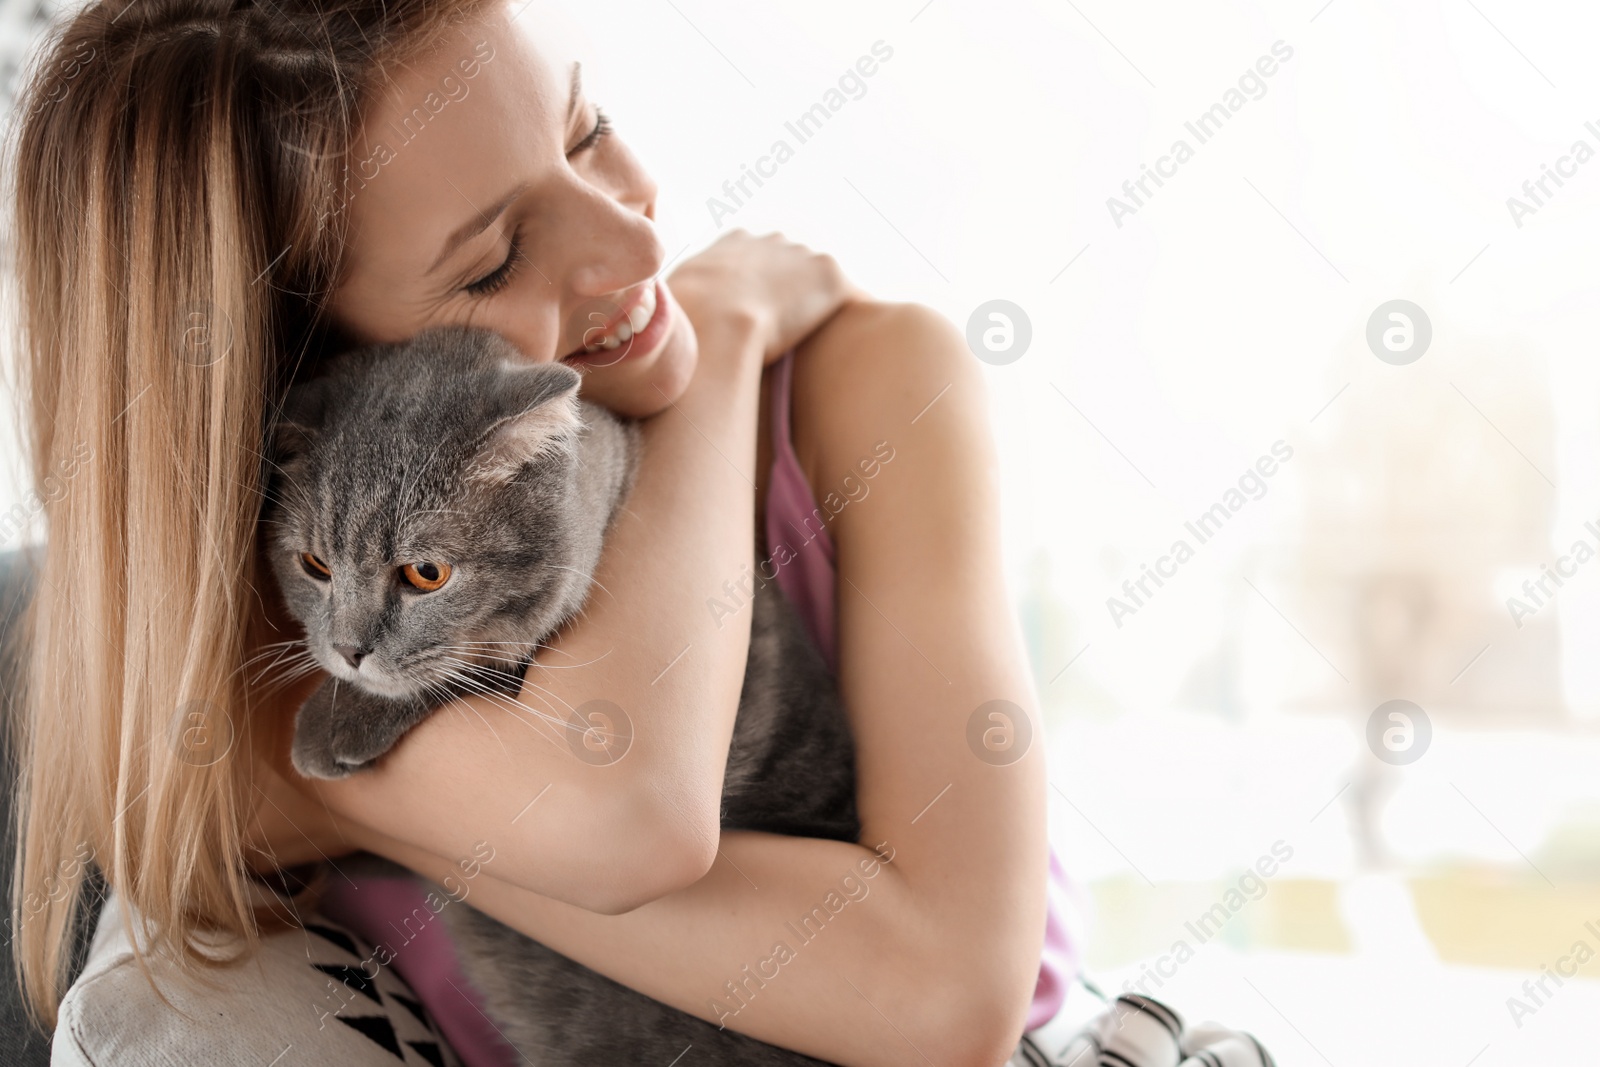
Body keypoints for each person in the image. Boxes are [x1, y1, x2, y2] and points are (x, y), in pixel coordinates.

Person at [10, 2, 1073, 1064]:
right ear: (310, 367)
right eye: (490, 262)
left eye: (586, 130)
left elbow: (953, 999)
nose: (643, 243)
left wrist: (380, 808)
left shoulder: (873, 379)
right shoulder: (270, 661)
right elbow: (630, 809)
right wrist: (728, 325)